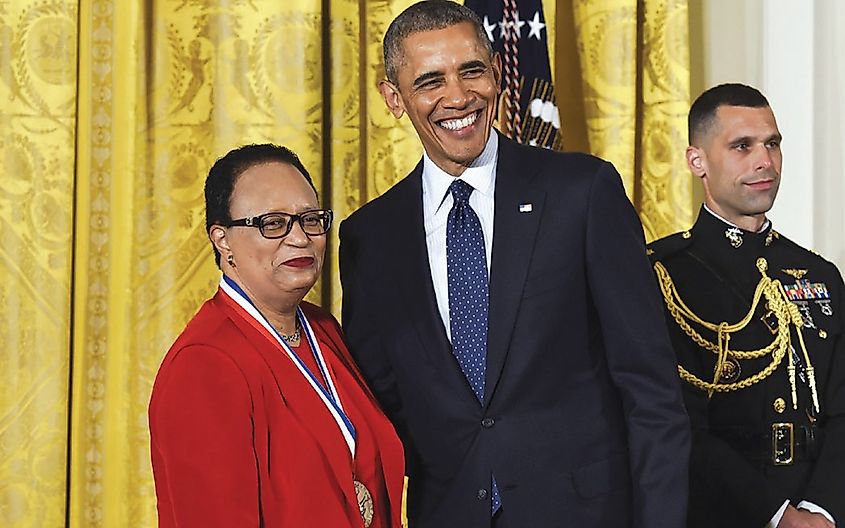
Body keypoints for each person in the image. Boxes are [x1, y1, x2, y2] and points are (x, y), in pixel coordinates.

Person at [338, 2, 690, 526]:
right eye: (430, 81)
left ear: (497, 72)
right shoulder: (370, 237)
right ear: (394, 98)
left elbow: (651, 389)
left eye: (472, 70)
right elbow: (384, 408)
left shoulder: (582, 192)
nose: (458, 97)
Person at [148, 144, 405, 527]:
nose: (299, 238)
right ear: (223, 240)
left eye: (310, 220)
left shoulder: (322, 329)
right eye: (273, 223)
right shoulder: (204, 365)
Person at [648, 83, 845, 528]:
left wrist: (821, 510)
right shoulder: (662, 276)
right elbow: (676, 423)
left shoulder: (819, 275)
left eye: (772, 144)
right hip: (723, 512)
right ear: (696, 160)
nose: (765, 161)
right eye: (742, 146)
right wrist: (778, 516)